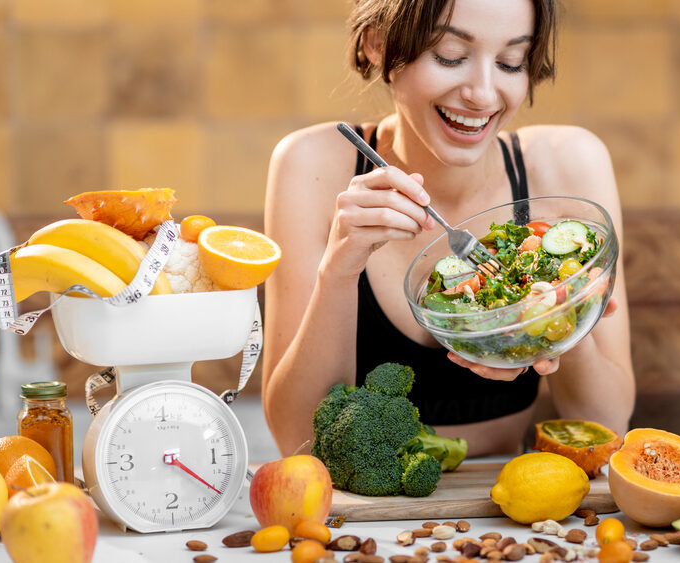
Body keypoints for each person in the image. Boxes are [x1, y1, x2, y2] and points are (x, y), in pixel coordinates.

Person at [262, 0, 634, 458]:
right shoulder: (312, 166)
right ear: (378, 43)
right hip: (372, 519)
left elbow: (607, 425)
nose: (482, 93)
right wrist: (339, 271)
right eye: (450, 56)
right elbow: (296, 441)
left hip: (515, 509)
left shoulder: (567, 164)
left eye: (510, 62)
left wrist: (563, 314)